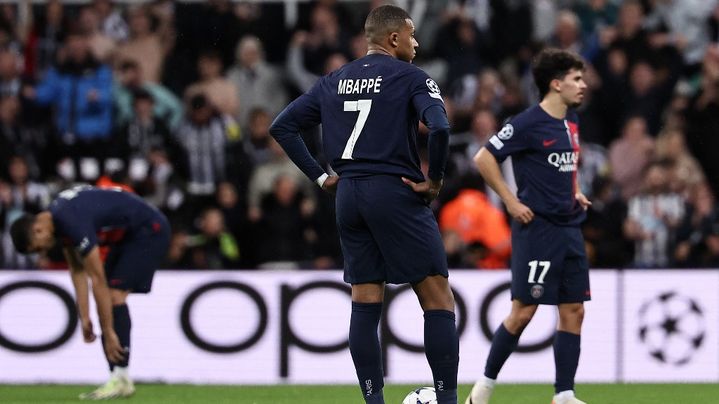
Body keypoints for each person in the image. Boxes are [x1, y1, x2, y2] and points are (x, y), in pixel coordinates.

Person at [269, 5, 459, 404]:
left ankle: (373, 401)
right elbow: (440, 128)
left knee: (365, 299)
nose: (417, 42)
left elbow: (282, 126)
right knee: (438, 297)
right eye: (411, 35)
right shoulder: (411, 77)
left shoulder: (333, 80)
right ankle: (447, 400)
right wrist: (436, 180)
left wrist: (321, 177)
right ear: (393, 38)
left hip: (349, 195)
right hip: (395, 191)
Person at [466, 48, 592, 404]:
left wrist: (576, 190)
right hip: (538, 230)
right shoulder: (525, 123)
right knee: (524, 312)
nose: (583, 85)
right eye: (576, 79)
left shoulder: (572, 122)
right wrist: (510, 200)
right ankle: (483, 389)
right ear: (556, 84)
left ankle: (563, 394)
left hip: (570, 227)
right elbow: (484, 157)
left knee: (574, 310)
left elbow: (567, 164)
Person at [9, 185, 170, 400]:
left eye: (38, 247)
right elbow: (77, 270)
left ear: (38, 230)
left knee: (114, 295)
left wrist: (108, 330)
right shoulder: (59, 220)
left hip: (149, 230)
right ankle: (117, 377)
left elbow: (96, 278)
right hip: (127, 236)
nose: (44, 251)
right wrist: (84, 316)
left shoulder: (70, 220)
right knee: (111, 295)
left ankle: (121, 378)